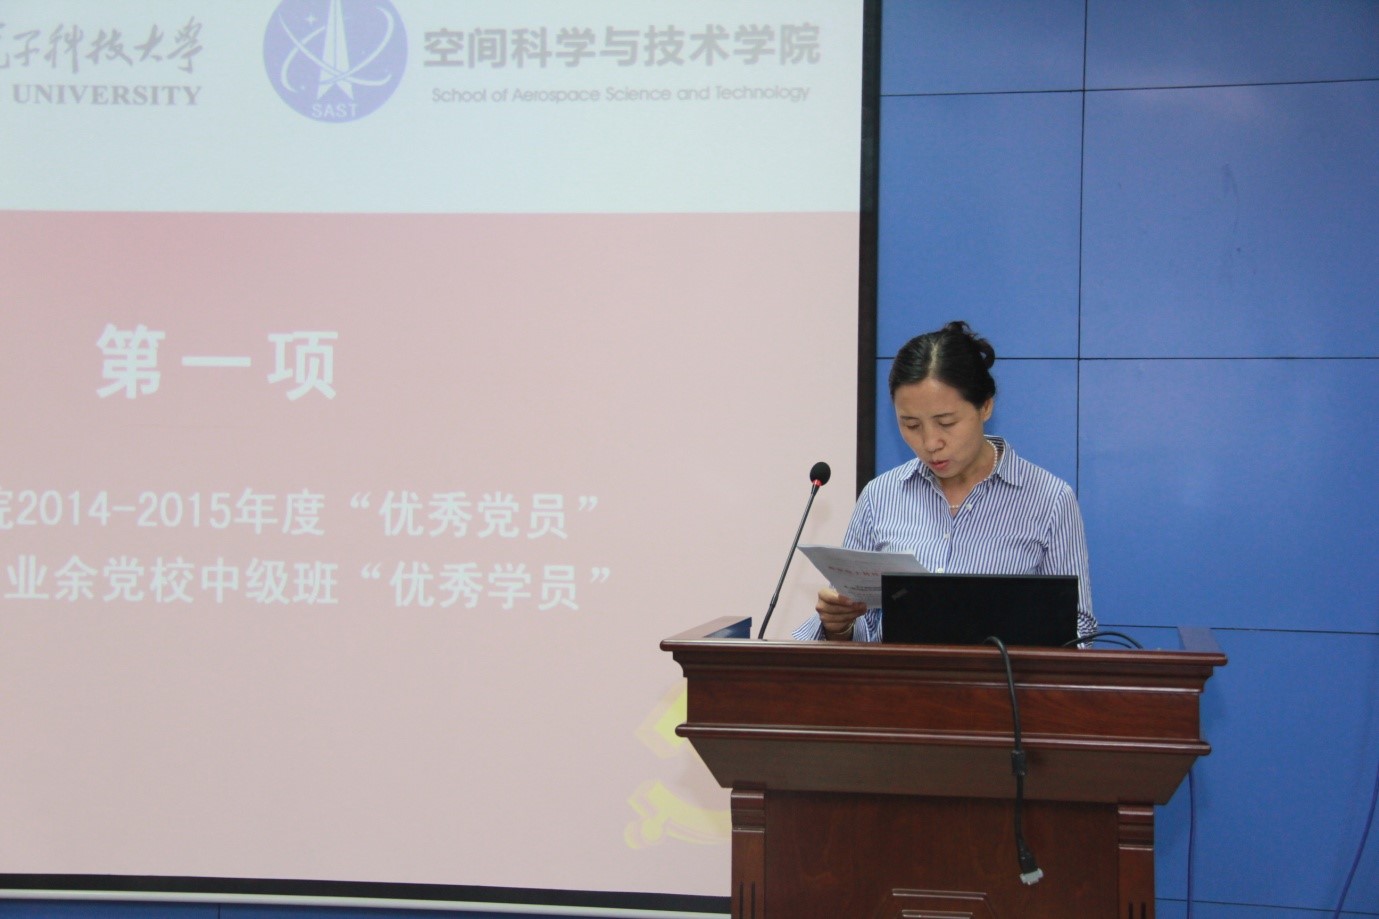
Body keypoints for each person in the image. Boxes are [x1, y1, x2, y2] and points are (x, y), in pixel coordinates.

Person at [793, 320, 1096, 642]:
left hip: (1002, 675)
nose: (930, 442)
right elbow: (861, 626)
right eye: (911, 425)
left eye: (946, 422)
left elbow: (1079, 630)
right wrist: (839, 626)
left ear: (985, 406)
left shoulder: (1049, 499)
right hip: (900, 675)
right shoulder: (880, 496)